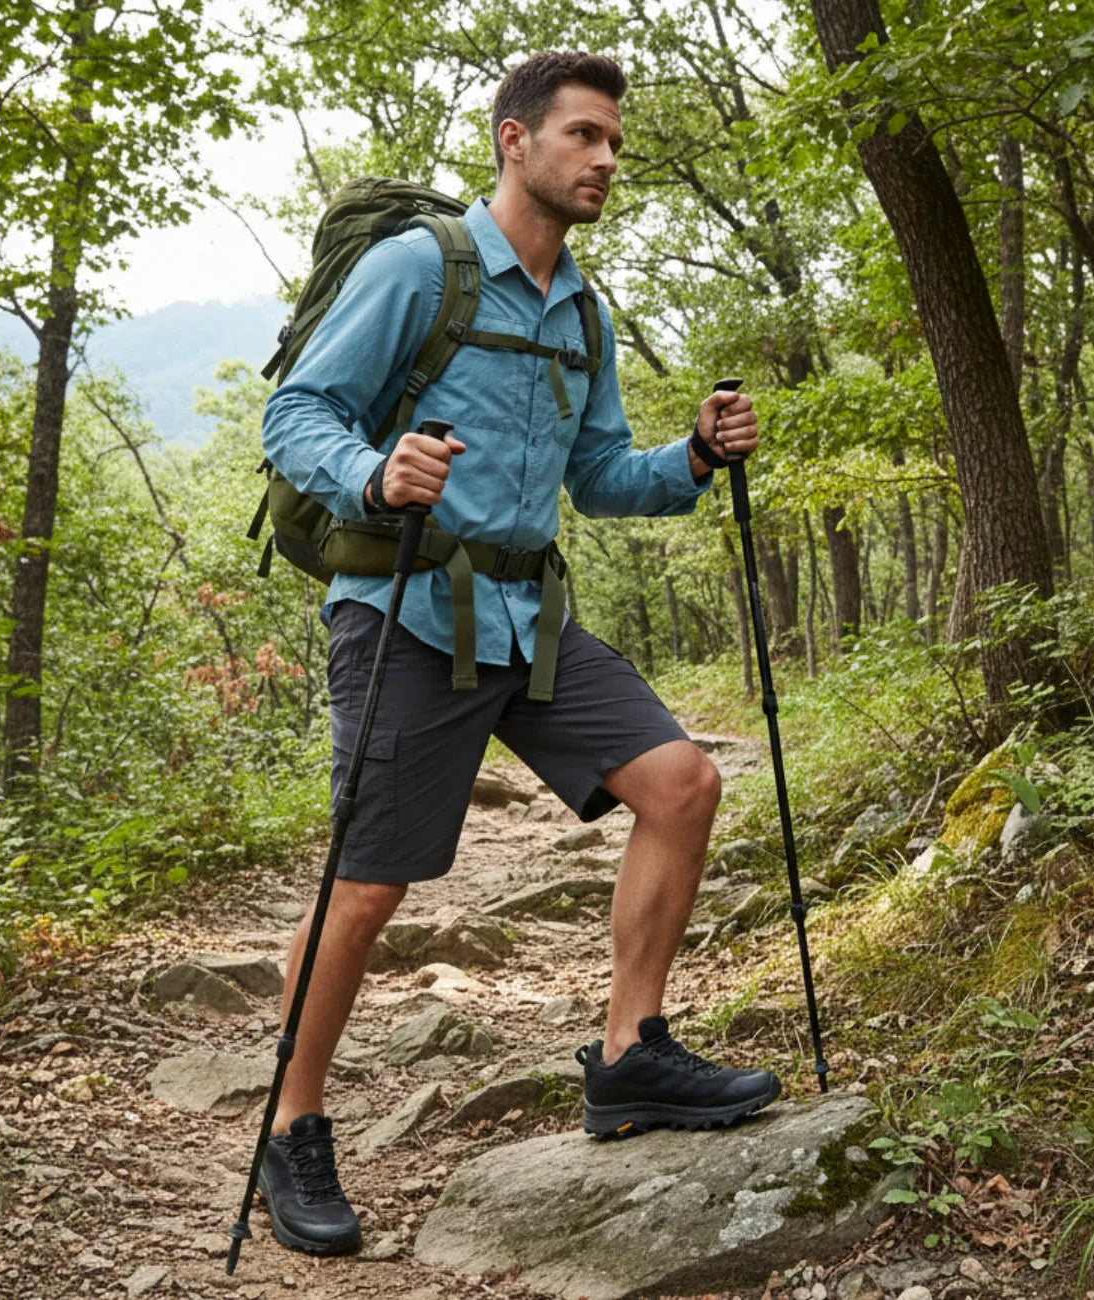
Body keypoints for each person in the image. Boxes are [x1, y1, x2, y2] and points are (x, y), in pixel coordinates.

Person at [257, 49, 778, 1259]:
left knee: (682, 783)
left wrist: (693, 457)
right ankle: (292, 1123)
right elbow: (297, 414)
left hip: (528, 621)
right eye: (584, 136)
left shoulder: (581, 307)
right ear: (514, 140)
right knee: (373, 882)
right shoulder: (416, 269)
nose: (604, 160)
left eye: (612, 144)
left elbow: (599, 480)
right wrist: (375, 473)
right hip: (400, 610)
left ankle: (628, 1057)